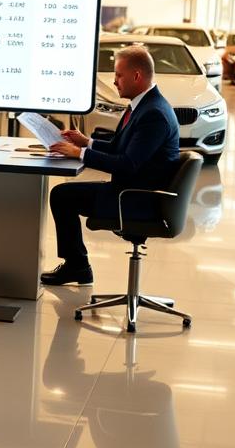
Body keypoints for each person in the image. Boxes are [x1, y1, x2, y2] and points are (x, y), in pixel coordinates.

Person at [40, 44, 180, 285]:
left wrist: (80, 153)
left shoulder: (153, 115)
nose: (115, 81)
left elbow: (127, 165)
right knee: (65, 195)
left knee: (62, 196)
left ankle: (78, 266)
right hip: (132, 191)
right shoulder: (143, 106)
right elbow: (119, 147)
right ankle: (78, 265)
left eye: (118, 75)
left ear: (137, 76)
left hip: (137, 199)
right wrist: (87, 142)